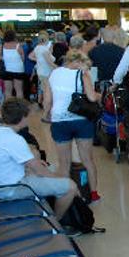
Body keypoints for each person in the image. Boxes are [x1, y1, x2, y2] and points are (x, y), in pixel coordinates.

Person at [0, 98, 79, 222]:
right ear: (22, 117)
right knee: (70, 186)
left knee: (52, 168)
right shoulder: (14, 139)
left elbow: (12, 160)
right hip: (11, 189)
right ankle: (55, 222)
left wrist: (37, 168)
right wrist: (61, 178)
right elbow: (40, 171)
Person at [44, 50, 102, 203]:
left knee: (64, 162)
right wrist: (99, 96)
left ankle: (66, 195)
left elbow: (48, 100)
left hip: (59, 121)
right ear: (80, 62)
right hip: (81, 120)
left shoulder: (53, 74)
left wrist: (45, 115)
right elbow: (90, 97)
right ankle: (94, 194)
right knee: (87, 159)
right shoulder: (82, 74)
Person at [0, 30, 25, 100]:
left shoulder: (2, 45)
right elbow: (23, 59)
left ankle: (8, 106)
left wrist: (6, 59)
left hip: (7, 69)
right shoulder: (18, 45)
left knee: (7, 90)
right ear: (14, 36)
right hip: (18, 70)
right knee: (19, 90)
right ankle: (20, 106)